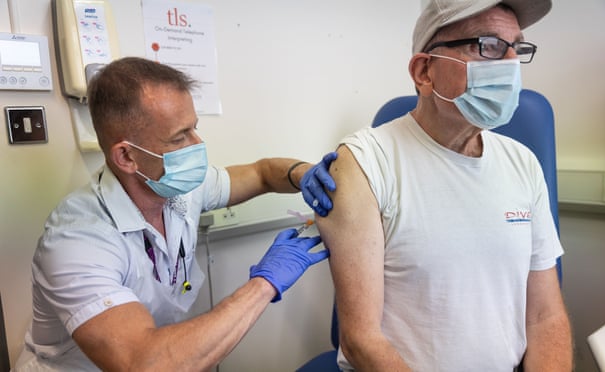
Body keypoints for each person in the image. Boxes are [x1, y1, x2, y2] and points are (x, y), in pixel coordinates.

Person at [14, 56, 334, 371]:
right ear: (126, 156)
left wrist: (303, 174)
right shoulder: (77, 240)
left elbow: (263, 173)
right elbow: (143, 362)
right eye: (180, 137)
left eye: (194, 128)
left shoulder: (179, 188)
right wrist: (265, 283)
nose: (198, 144)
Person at [311, 0, 573, 370]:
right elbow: (361, 340)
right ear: (424, 71)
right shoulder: (365, 164)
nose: (511, 63)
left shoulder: (523, 164)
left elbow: (545, 318)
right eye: (489, 45)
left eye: (517, 47)